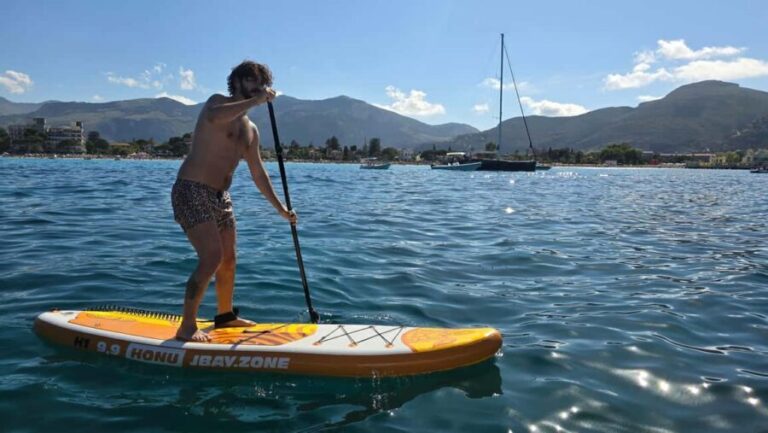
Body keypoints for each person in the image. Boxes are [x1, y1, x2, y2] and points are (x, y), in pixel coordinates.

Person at [171, 60, 297, 342]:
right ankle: (187, 326)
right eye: (251, 80)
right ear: (237, 82)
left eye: (261, 82)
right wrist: (255, 101)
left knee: (228, 259)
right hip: (191, 189)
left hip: (220, 196)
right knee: (211, 257)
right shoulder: (216, 104)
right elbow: (217, 117)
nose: (258, 86)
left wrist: (281, 210)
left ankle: (225, 316)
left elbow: (258, 173)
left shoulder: (251, 130)